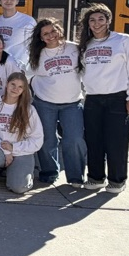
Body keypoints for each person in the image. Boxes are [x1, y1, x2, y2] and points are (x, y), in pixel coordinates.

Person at [78, 3, 129, 194]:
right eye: (92, 20)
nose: (96, 23)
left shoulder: (123, 41)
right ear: (88, 24)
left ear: (108, 21)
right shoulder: (86, 45)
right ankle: (95, 177)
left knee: (116, 141)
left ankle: (117, 180)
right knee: (94, 140)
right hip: (92, 99)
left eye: (101, 19)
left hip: (117, 98)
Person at [27, 17, 87, 187]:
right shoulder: (37, 54)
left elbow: (87, 71)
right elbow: (26, 76)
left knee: (74, 139)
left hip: (72, 103)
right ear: (40, 37)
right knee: (47, 140)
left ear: (60, 29)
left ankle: (75, 176)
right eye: (46, 33)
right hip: (45, 103)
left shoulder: (74, 49)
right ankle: (49, 173)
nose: (51, 35)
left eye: (53, 31)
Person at [0, 71, 44, 194]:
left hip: (21, 151)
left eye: (20, 87)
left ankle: (20, 171)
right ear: (7, 84)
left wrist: (14, 148)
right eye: (13, 84)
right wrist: (7, 151)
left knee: (19, 188)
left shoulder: (29, 110)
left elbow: (37, 139)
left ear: (24, 90)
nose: (15, 89)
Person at [0, 0, 36, 65]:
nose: (8, 1)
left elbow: (34, 46)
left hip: (18, 67)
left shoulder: (28, 21)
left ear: (17, 1)